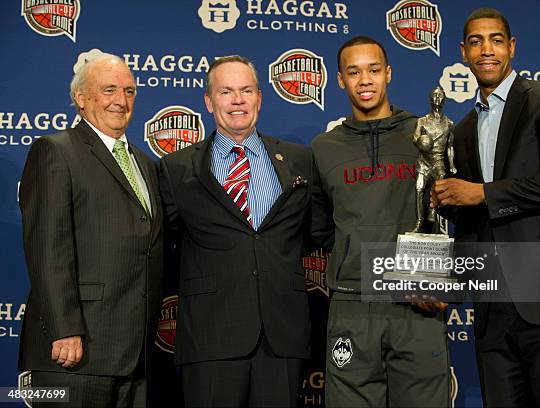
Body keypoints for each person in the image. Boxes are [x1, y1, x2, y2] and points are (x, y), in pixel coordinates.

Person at [431, 8, 540, 407]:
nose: (486, 50)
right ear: (463, 51)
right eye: (475, 42)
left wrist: (482, 193)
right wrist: (450, 283)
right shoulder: (459, 130)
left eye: (495, 40)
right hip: (493, 305)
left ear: (511, 46)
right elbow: (472, 221)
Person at [159, 55, 326, 407]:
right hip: (209, 337)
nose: (238, 100)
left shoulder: (299, 160)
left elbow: (316, 233)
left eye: (246, 90)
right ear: (208, 101)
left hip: (282, 335)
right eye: (226, 92)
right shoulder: (176, 169)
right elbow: (164, 247)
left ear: (259, 98)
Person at [312, 36, 450, 407]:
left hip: (416, 301)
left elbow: (447, 211)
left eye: (373, 69)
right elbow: (322, 228)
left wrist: (431, 278)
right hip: (352, 305)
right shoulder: (324, 148)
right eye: (353, 72)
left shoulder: (423, 133)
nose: (365, 80)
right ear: (340, 80)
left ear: (388, 73)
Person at [18, 54, 163, 406]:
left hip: (134, 355)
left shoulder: (144, 163)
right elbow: (47, 247)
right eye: (109, 89)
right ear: (81, 98)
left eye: (129, 91)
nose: (121, 100)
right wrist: (65, 328)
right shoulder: (55, 151)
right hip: (74, 353)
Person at [412, 86, 456, 232]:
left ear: (444, 99)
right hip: (424, 161)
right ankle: (419, 222)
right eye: (434, 96)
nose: (437, 98)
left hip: (438, 161)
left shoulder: (449, 123)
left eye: (440, 96)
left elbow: (450, 146)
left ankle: (437, 222)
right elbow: (415, 138)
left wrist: (452, 164)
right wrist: (422, 142)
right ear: (430, 99)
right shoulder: (422, 121)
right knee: (419, 190)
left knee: (441, 186)